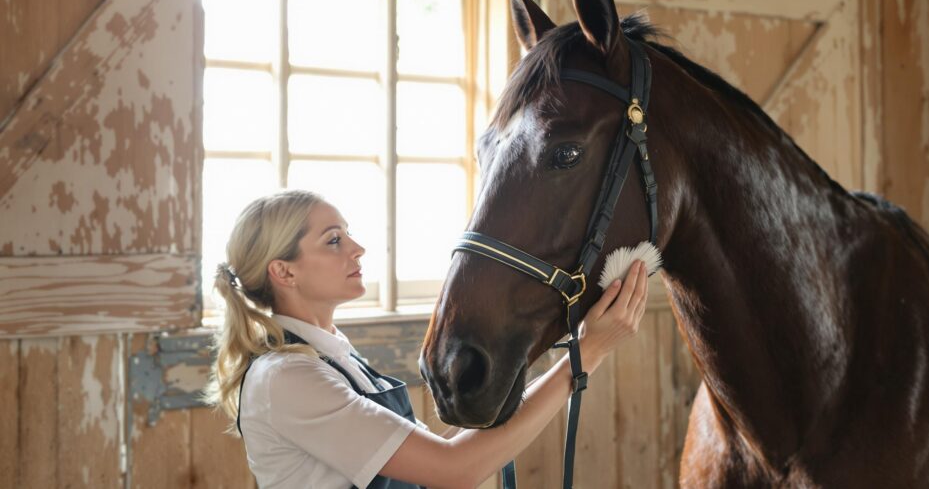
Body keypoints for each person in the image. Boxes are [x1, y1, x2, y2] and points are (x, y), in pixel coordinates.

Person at [204, 189, 650, 489]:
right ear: (284, 272)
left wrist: (558, 361)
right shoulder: (288, 378)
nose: (357, 248)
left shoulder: (332, 355)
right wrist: (585, 356)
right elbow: (454, 469)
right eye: (334, 240)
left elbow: (442, 455)